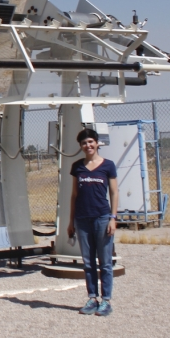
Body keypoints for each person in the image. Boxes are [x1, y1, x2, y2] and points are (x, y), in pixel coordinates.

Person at [67, 128, 119, 317]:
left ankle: (106, 301)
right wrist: (71, 221)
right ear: (80, 146)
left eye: (90, 142)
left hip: (102, 217)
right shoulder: (77, 167)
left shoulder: (108, 166)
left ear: (97, 143)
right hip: (82, 219)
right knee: (88, 262)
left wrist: (113, 218)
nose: (88, 146)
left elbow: (114, 193)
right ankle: (92, 297)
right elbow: (74, 195)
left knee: (104, 262)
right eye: (84, 143)